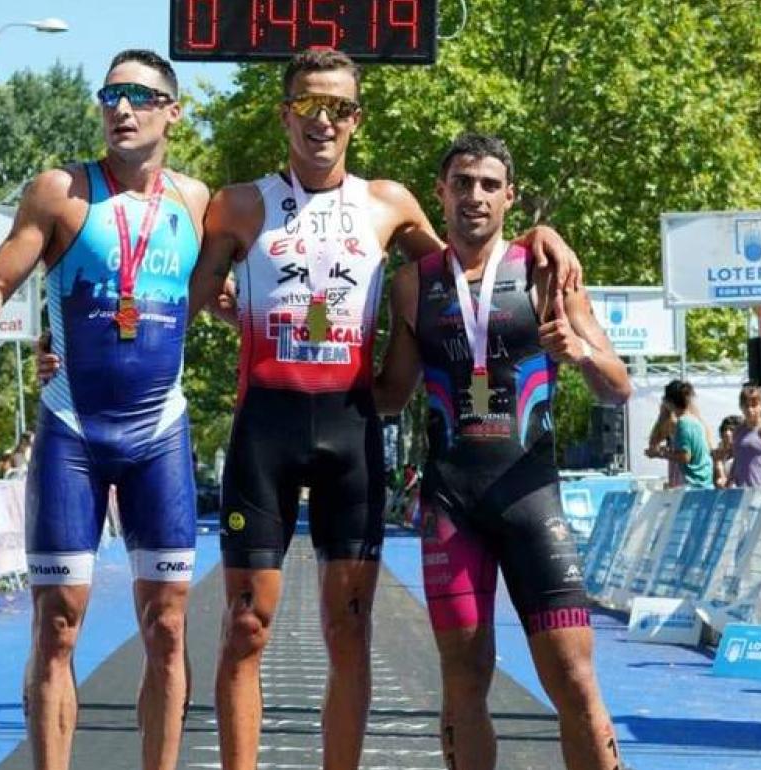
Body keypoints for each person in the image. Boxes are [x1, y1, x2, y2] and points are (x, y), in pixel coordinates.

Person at [179, 52, 583, 770]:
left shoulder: (388, 202)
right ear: (286, 114)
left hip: (352, 426)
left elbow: (466, 265)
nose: (323, 121)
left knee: (350, 627)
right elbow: (188, 300)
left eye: (338, 107)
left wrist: (539, 240)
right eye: (308, 105)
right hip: (265, 425)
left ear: (357, 119)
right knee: (245, 627)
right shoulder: (239, 204)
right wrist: (211, 300)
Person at [0, 50, 208, 770]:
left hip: (159, 434)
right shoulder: (60, 191)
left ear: (172, 111)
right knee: (57, 625)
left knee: (166, 629)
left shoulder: (198, 201)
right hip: (73, 430)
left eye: (139, 96)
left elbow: (246, 280)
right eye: (110, 95)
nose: (122, 109)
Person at [373, 133, 631, 770]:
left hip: (530, 499)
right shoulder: (412, 286)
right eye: (462, 183)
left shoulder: (546, 272)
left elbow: (618, 386)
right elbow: (388, 396)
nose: (475, 196)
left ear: (510, 196)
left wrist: (580, 352)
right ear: (442, 193)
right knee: (463, 687)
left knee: (573, 680)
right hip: (451, 507)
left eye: (490, 184)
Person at [647, 380, 713, 488]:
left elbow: (685, 456)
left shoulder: (683, 423)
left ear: (668, 402)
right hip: (700, 483)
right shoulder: (695, 422)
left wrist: (660, 454)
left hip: (691, 485)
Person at [724, 384, 761, 488]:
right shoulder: (738, 431)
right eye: (746, 406)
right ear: (741, 407)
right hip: (742, 491)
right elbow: (737, 459)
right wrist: (730, 479)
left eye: (754, 405)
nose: (750, 410)